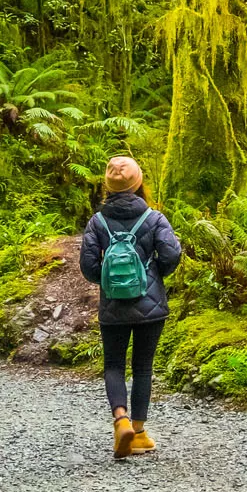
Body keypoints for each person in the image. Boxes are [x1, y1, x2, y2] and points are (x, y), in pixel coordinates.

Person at [78, 155, 181, 460]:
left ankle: (120, 419)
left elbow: (88, 266)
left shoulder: (97, 221)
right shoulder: (154, 217)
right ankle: (138, 432)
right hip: (151, 307)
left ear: (107, 186)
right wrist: (154, 276)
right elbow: (171, 255)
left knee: (113, 365)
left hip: (113, 307)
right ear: (138, 183)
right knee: (143, 367)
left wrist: (108, 283)